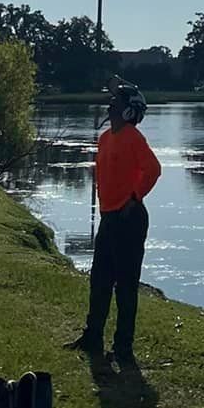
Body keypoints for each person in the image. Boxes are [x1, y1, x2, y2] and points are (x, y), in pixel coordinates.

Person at [66, 83, 161, 366]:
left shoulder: (133, 137)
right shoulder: (106, 138)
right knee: (100, 280)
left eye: (115, 102)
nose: (109, 105)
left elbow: (153, 170)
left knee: (126, 286)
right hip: (109, 217)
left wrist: (134, 196)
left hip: (128, 218)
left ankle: (123, 347)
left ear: (129, 109)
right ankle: (93, 336)